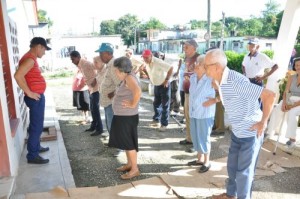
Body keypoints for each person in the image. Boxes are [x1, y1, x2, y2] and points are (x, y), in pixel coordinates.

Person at [205, 49, 275, 199]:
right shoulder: (222, 80)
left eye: (206, 66)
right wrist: (215, 99)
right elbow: (234, 97)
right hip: (238, 131)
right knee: (232, 168)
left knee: (244, 173)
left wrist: (263, 122)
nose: (204, 69)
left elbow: (270, 96)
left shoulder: (234, 81)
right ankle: (230, 195)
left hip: (250, 133)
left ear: (217, 67)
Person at [14, 37, 51, 164]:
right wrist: (29, 93)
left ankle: (35, 147)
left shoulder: (31, 58)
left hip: (36, 97)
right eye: (44, 49)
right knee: (37, 126)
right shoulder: (30, 59)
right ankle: (32, 155)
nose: (44, 52)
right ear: (39, 46)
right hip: (35, 98)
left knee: (36, 125)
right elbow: (18, 76)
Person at [108, 56, 141, 180]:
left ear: (122, 70)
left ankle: (134, 169)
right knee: (126, 143)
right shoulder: (128, 77)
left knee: (129, 143)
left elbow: (138, 92)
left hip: (126, 117)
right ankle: (129, 164)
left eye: (116, 70)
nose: (115, 73)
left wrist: (133, 104)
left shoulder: (129, 78)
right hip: (123, 116)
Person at [187, 55, 218, 173]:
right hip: (194, 112)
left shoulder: (211, 79)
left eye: (198, 63)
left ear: (205, 67)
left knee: (204, 137)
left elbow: (224, 93)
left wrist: (214, 100)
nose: (195, 65)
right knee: (195, 136)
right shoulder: (193, 77)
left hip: (205, 114)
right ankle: (199, 159)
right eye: (196, 63)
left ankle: (207, 161)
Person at [266, 57, 300, 148]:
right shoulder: (292, 77)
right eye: (296, 65)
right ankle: (269, 132)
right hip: (289, 99)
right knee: (277, 109)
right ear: (294, 66)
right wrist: (285, 103)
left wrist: (291, 106)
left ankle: (292, 139)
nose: (298, 67)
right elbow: (286, 91)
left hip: (298, 103)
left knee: (292, 113)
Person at [70, 51, 104, 136]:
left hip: (96, 89)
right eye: (71, 59)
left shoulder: (86, 63)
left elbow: (100, 70)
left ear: (78, 57)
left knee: (95, 109)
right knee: (92, 109)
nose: (72, 61)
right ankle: (93, 126)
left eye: (73, 59)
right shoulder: (81, 65)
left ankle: (99, 129)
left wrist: (95, 80)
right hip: (91, 88)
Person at [141, 49, 173, 132]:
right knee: (156, 103)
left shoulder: (158, 62)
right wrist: (149, 76)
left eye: (147, 58)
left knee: (165, 105)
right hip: (156, 85)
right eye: (144, 58)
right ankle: (156, 119)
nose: (145, 59)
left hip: (164, 85)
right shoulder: (146, 62)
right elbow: (149, 72)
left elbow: (170, 68)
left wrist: (166, 80)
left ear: (151, 56)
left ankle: (164, 124)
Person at [242, 38, 278, 109]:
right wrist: (244, 74)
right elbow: (243, 65)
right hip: (247, 81)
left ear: (257, 47)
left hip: (256, 82)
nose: (250, 46)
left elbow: (275, 66)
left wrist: (263, 77)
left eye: (253, 45)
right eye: (249, 44)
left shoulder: (262, 56)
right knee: (248, 102)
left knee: (257, 103)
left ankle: (259, 119)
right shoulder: (246, 56)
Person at [179, 39, 200, 152]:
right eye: (184, 47)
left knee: (195, 117)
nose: (184, 49)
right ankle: (189, 138)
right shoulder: (186, 58)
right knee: (187, 115)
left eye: (186, 47)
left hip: (196, 93)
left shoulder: (199, 59)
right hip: (187, 91)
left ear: (194, 48)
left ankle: (196, 143)